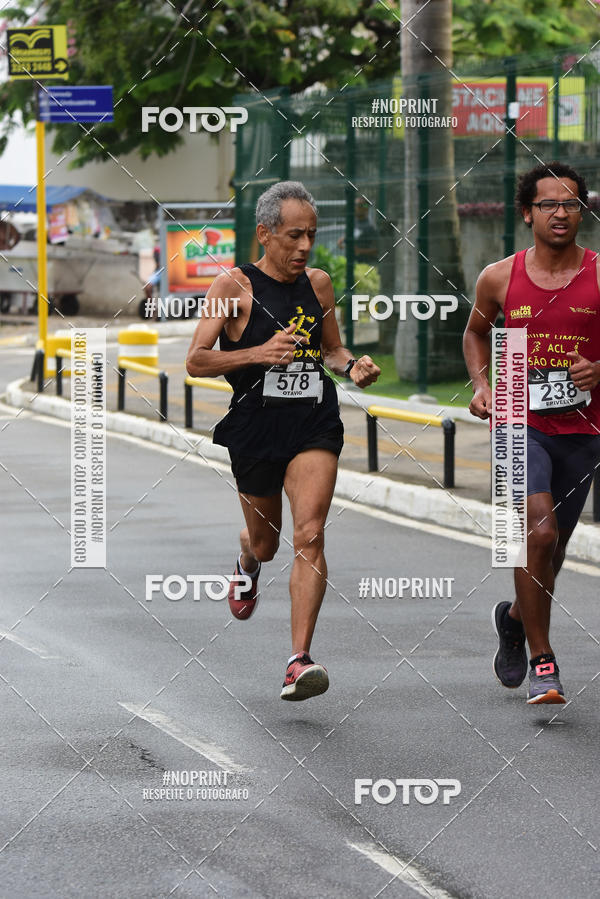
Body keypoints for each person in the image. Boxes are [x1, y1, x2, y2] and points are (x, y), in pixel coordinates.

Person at [186, 181, 380, 700]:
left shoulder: (317, 284)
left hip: (313, 421)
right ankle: (247, 559)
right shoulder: (232, 288)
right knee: (268, 543)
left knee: (311, 532)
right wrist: (256, 354)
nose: (304, 248)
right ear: (264, 234)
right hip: (255, 428)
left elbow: (332, 351)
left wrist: (353, 366)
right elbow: (197, 360)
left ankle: (299, 660)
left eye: (311, 236)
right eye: (294, 236)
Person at [463, 161, 600, 705]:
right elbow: (476, 334)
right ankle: (545, 664)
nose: (561, 212)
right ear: (527, 213)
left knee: (553, 548)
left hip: (584, 428)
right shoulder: (499, 277)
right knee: (536, 535)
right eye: (548, 204)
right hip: (518, 413)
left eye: (570, 203)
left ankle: (515, 620)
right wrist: (482, 385)